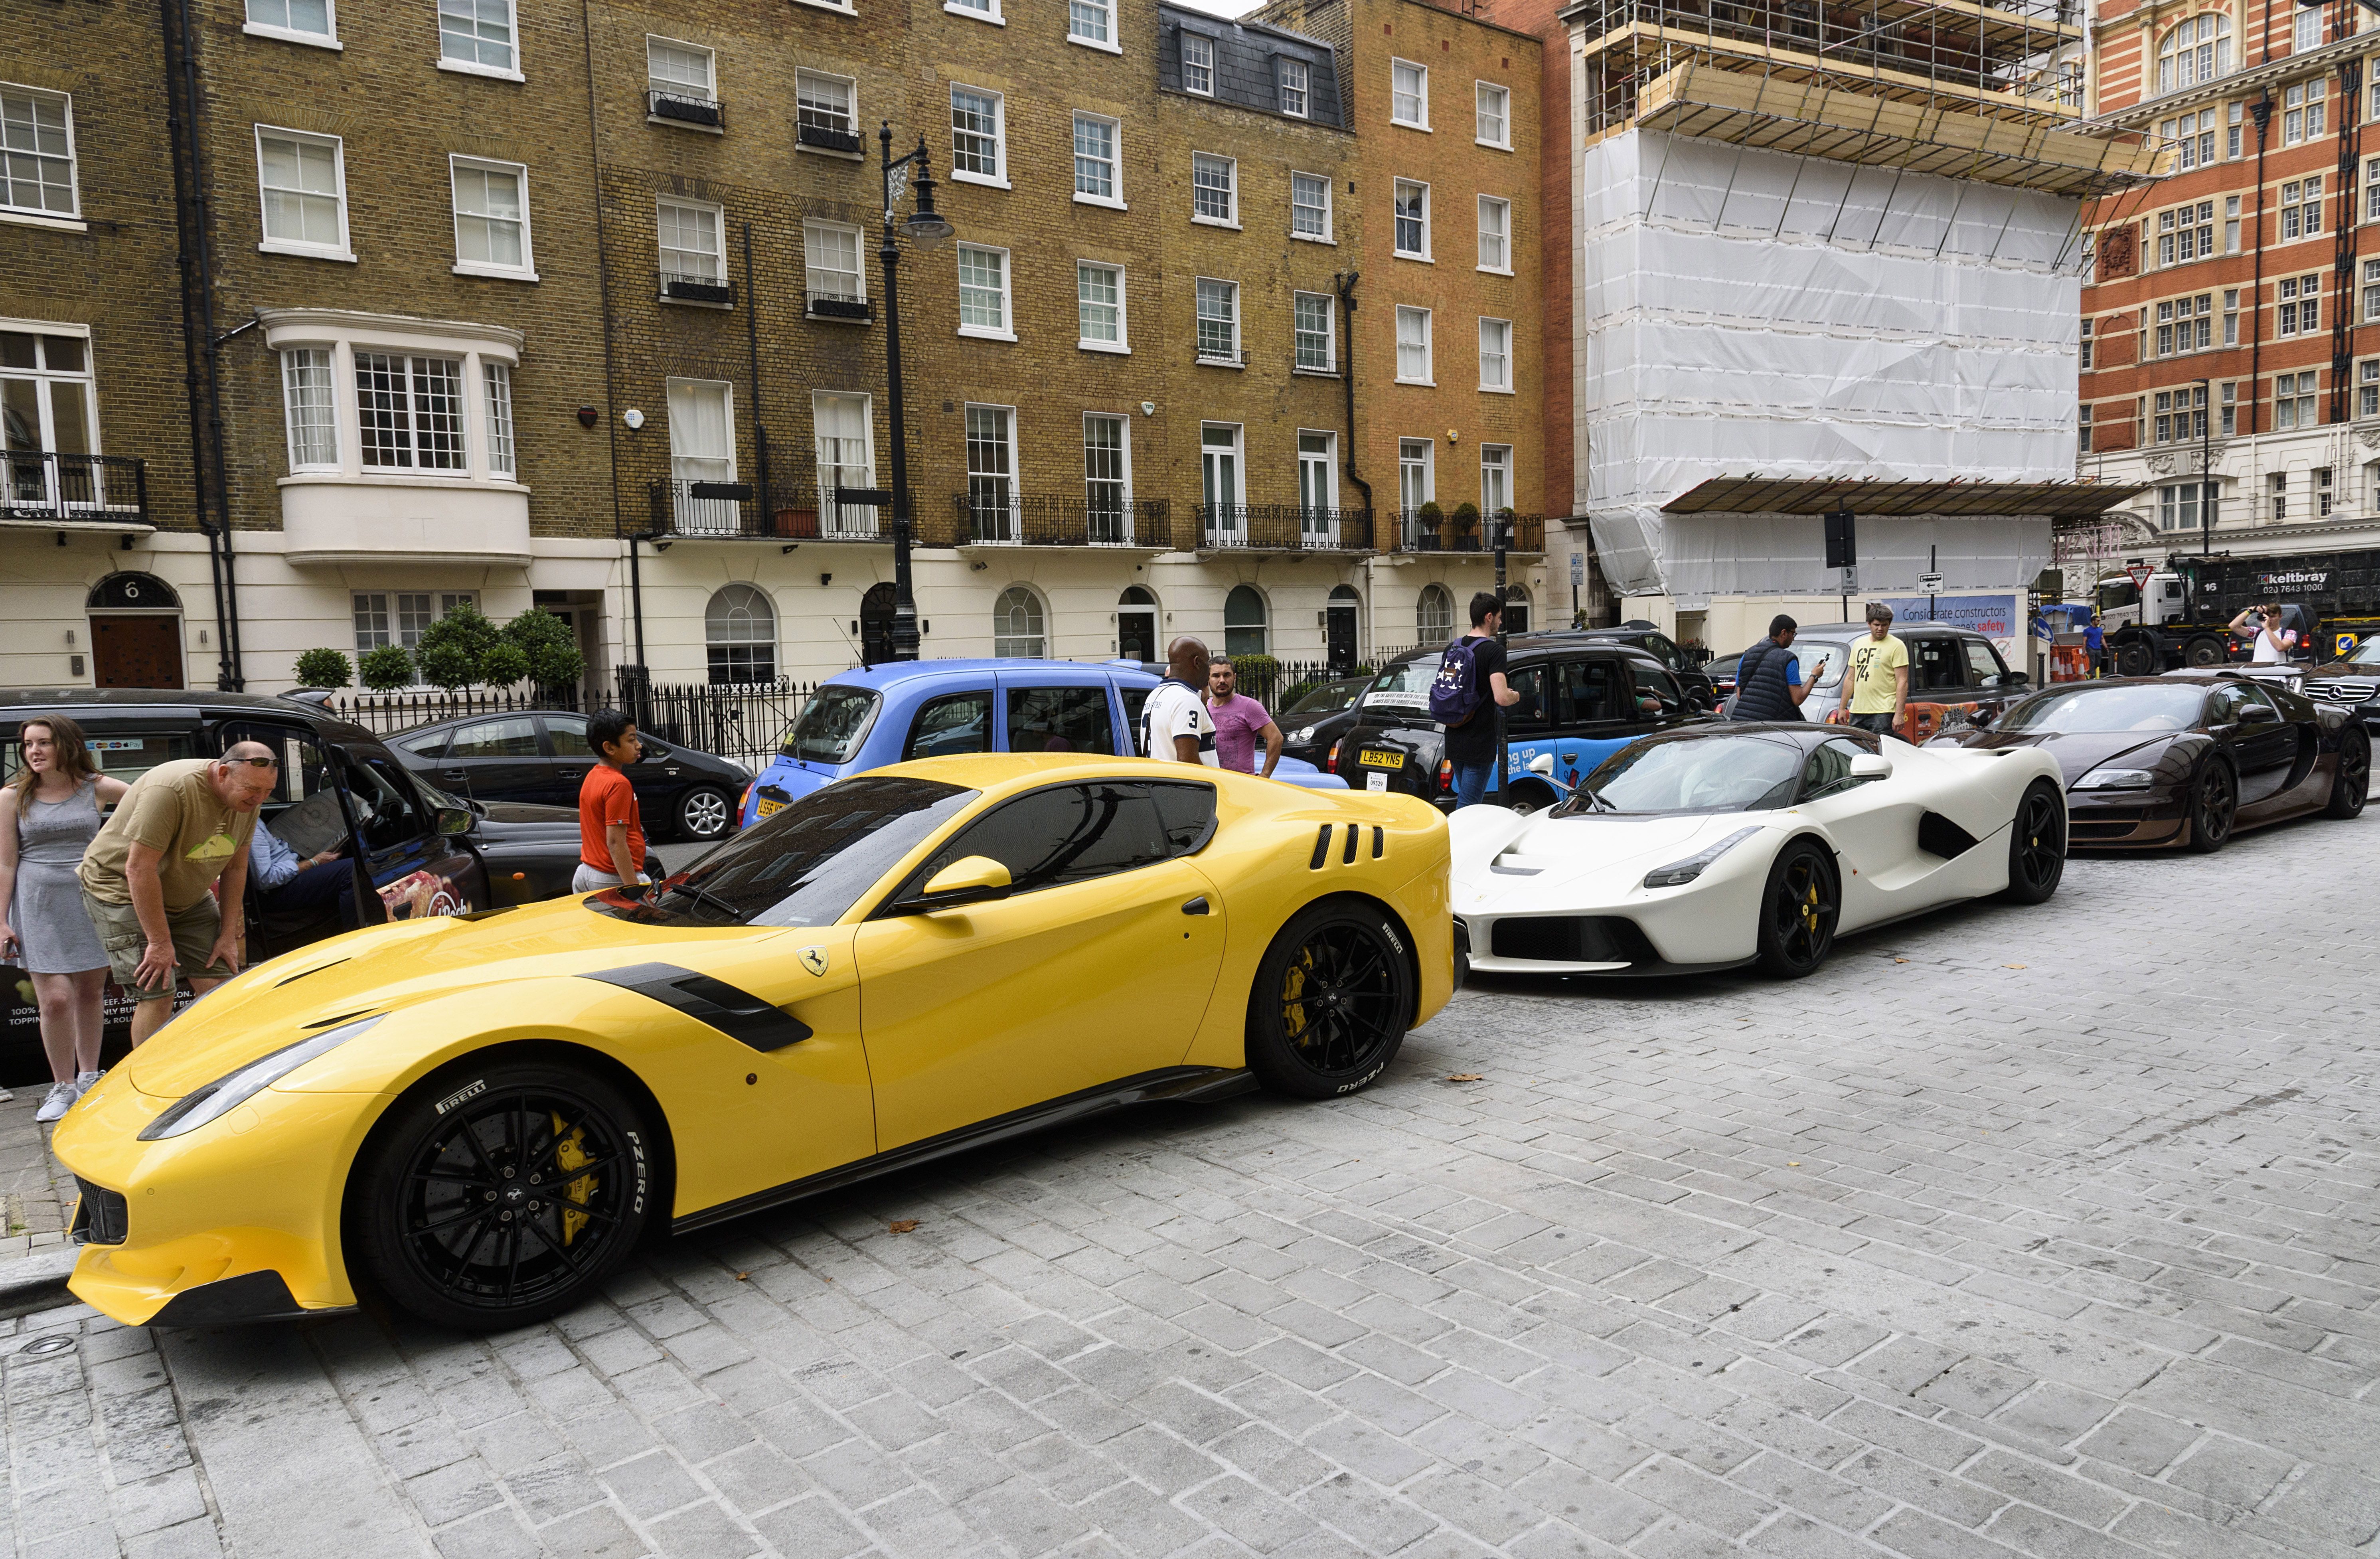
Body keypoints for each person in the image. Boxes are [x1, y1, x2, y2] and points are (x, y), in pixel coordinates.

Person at [77, 743, 277, 1048]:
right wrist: (159, 942)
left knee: (220, 985)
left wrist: (227, 935)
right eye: (253, 789)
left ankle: (212, 1070)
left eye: (268, 791)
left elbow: (236, 868)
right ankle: (148, 1085)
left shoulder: (251, 797)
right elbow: (139, 869)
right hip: (120, 887)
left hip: (186, 893)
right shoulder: (170, 789)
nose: (260, 799)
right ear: (223, 773)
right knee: (158, 990)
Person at [0, 715, 130, 1120]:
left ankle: (89, 1075)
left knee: (91, 993)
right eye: (27, 744)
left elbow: (151, 803)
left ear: (67, 745)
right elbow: (6, 863)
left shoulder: (96, 787)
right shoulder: (11, 796)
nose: (33, 751)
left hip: (87, 898)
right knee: (55, 1000)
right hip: (36, 902)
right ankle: (63, 1085)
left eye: (43, 743)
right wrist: (2, 919)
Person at [1442, 591, 1521, 808]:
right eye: (1499, 617)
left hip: (1455, 735)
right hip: (1479, 742)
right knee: (1469, 806)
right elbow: (1502, 697)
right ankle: (1459, 842)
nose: (1500, 622)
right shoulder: (1493, 651)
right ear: (1489, 617)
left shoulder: (1453, 648)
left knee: (1467, 801)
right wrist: (1516, 695)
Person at [575, 709, 650, 894]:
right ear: (610, 748)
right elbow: (616, 843)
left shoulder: (594, 775)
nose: (639, 746)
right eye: (631, 740)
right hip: (613, 878)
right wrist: (633, 889)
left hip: (587, 871)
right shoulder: (618, 784)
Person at [247, 822, 359, 932]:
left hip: (291, 865)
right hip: (277, 890)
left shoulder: (256, 818)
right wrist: (314, 862)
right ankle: (356, 937)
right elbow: (265, 879)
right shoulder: (251, 827)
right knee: (353, 869)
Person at [1142, 637, 1219, 764]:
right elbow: (1188, 761)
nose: (1209, 671)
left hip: (1162, 782)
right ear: (1197, 662)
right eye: (1207, 664)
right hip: (1193, 784)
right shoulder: (1187, 700)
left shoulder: (1155, 694)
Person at [1837, 602, 1909, 735]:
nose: (1880, 629)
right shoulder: (1859, 644)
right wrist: (1842, 708)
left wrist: (1899, 713)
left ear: (1889, 625)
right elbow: (1851, 678)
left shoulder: (1897, 646)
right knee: (1858, 752)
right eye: (1876, 625)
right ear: (1869, 624)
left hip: (1883, 711)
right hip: (1858, 710)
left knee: (1878, 753)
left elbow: (1902, 682)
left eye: (1884, 625)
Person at [1207, 658, 1283, 777]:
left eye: (1227, 675)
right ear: (1208, 679)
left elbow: (1276, 738)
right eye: (1216, 676)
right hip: (1212, 785)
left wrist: (1265, 775)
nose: (1222, 680)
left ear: (1235, 677)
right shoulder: (1204, 708)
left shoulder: (1249, 706)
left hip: (1241, 785)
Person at [1728, 615, 1812, 721]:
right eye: (1793, 634)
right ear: (1784, 633)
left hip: (1742, 722)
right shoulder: (1788, 659)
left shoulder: (1747, 655)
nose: (1793, 638)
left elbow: (1740, 695)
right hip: (1772, 726)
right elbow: (1798, 699)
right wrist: (1814, 676)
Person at [2230, 605, 2297, 665]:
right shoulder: (2257, 632)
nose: (2269, 620)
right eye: (2267, 617)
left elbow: (2280, 648)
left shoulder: (2289, 633)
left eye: (2272, 617)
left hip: (2277, 675)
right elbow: (2233, 626)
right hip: (2258, 675)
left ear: (2280, 617)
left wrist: (2267, 628)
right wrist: (2250, 611)